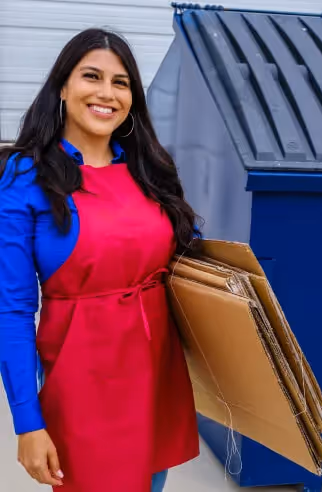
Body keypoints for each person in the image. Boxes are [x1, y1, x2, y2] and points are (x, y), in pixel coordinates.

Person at [0, 28, 202, 492]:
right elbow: (11, 310)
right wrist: (27, 422)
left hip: (157, 375)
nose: (107, 93)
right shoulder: (25, 176)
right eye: (92, 76)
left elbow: (188, 262)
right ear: (63, 87)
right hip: (83, 383)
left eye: (122, 82)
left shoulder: (149, 169)